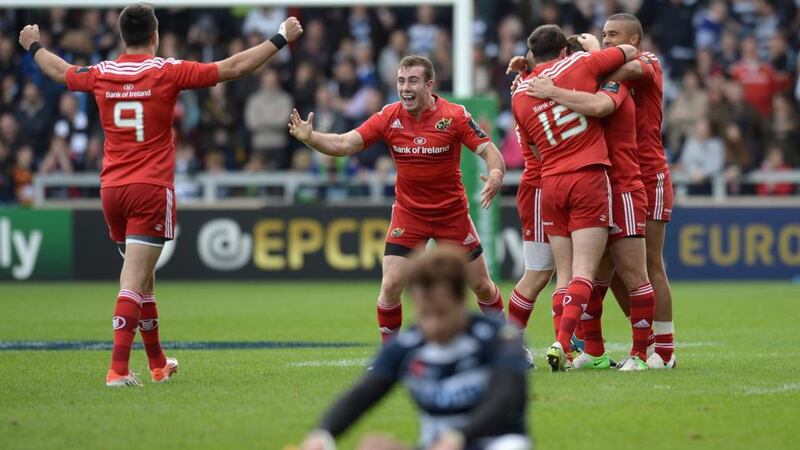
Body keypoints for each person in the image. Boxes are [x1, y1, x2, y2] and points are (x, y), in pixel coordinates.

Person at [18, 3, 303, 387]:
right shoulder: (166, 71)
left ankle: (157, 363)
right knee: (134, 279)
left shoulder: (101, 73)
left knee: (145, 279)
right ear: (154, 36)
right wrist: (281, 36)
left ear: (122, 37)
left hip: (112, 190)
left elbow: (58, 70)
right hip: (150, 188)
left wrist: (34, 45)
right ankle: (118, 370)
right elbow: (234, 67)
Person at [289, 55, 507, 344]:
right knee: (391, 284)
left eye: (413, 81)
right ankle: (389, 353)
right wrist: (310, 137)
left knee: (481, 286)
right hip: (410, 214)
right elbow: (344, 144)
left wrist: (495, 175)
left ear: (429, 85)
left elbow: (490, 150)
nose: (405, 87)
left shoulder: (454, 116)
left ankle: (507, 343)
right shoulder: (388, 117)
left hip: (451, 214)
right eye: (401, 81)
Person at [299, 247, 530, 450]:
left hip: (493, 442)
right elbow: (364, 393)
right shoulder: (409, 344)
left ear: (462, 300)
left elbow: (506, 400)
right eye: (425, 314)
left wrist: (459, 437)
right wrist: (322, 434)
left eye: (441, 313)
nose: (433, 326)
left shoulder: (500, 338)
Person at [511, 25, 637, 371]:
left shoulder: (520, 92)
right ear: (564, 51)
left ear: (533, 53)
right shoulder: (579, 65)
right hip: (587, 176)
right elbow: (629, 53)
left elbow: (533, 147)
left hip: (548, 183)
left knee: (561, 275)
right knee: (584, 271)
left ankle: (565, 352)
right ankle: (562, 343)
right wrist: (595, 48)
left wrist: (527, 73)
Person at [599, 14, 676, 369]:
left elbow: (626, 73)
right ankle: (642, 345)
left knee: (649, 263)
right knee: (613, 270)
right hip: (615, 178)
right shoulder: (603, 68)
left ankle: (664, 352)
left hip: (648, 176)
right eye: (602, 36)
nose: (606, 41)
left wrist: (586, 69)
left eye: (613, 35)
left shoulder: (648, 63)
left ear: (634, 39)